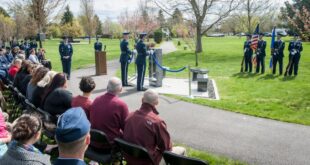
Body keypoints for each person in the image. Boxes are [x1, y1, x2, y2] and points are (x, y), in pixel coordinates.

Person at [123, 89, 186, 165]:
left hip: (130, 159)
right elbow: (167, 149)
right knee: (182, 150)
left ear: (142, 100)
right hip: (149, 161)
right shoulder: (157, 122)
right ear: (157, 102)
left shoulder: (129, 116)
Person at [90, 77, 129, 149]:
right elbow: (126, 128)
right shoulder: (121, 105)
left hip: (94, 141)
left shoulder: (96, 99)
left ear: (107, 87)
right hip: (110, 145)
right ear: (120, 89)